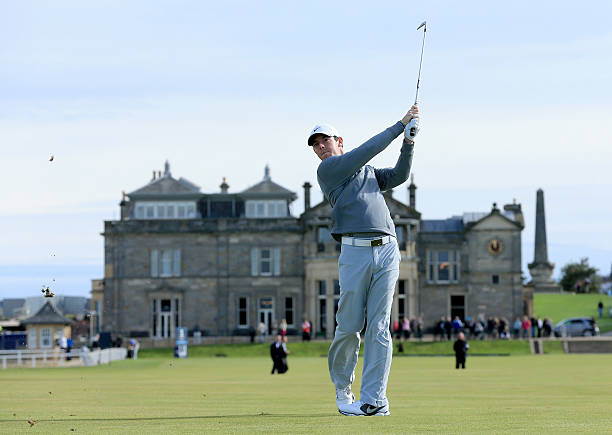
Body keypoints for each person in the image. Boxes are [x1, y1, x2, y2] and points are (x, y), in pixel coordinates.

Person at [308, 105, 419, 416]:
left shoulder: (368, 174)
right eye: (315, 145)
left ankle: (374, 400)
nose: (320, 148)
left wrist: (408, 142)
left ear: (338, 140)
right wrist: (400, 125)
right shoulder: (328, 171)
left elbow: (399, 176)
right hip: (355, 250)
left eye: (324, 141)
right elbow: (367, 150)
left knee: (380, 326)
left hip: (387, 249)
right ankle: (343, 385)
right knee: (349, 326)